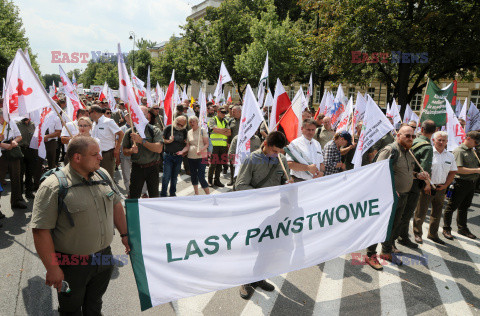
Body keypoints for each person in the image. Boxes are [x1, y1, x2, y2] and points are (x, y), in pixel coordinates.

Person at [31, 136, 129, 315]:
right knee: (71, 308)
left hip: (103, 258)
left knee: (94, 303)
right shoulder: (53, 186)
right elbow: (40, 231)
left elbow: (115, 204)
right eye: (95, 154)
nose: (100, 157)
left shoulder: (103, 174)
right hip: (72, 264)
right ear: (77, 157)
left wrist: (125, 235)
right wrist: (52, 268)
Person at [235, 131, 291, 300]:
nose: (277, 155)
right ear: (265, 144)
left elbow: (284, 182)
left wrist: (288, 186)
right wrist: (263, 197)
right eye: (274, 151)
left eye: (279, 152)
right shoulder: (252, 159)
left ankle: (259, 277)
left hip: (272, 213)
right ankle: (245, 281)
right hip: (253, 211)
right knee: (250, 247)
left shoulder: (282, 160)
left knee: (268, 247)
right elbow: (240, 185)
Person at [365, 126, 429, 270]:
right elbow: (378, 172)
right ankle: (371, 255)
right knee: (380, 226)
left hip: (403, 196)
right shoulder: (390, 150)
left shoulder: (408, 152)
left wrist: (417, 175)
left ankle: (386, 252)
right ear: (398, 135)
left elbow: (405, 172)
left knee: (394, 226)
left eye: (413, 136)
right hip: (388, 197)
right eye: (407, 136)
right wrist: (391, 190)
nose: (410, 139)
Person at [413, 131, 457, 245]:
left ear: (447, 142)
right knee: (421, 212)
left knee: (437, 213)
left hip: (441, 188)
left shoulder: (450, 156)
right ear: (433, 140)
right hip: (427, 187)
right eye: (439, 140)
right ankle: (417, 233)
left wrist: (446, 185)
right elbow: (424, 170)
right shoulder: (429, 153)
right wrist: (427, 184)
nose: (441, 142)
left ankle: (433, 234)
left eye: (444, 140)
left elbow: (453, 172)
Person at [398, 120, 435, 248]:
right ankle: (401, 237)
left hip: (406, 179)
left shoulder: (415, 141)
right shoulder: (427, 146)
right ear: (434, 131)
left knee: (400, 212)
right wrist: (427, 184)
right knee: (407, 212)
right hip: (414, 182)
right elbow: (425, 169)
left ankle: (398, 236)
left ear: (421, 129)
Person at [443, 131, 480, 240]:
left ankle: (462, 227)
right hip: (461, 182)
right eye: (476, 141)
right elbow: (458, 169)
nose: (477, 144)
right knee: (451, 207)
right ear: (468, 138)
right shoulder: (459, 151)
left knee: (464, 207)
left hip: (471, 183)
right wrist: (477, 170)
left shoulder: (472, 151)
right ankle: (446, 228)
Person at [123, 106, 163, 199]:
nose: (140, 117)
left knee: (154, 195)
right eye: (138, 115)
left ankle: (153, 213)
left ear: (147, 116)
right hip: (137, 168)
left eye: (143, 114)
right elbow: (124, 151)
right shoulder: (130, 132)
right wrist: (131, 151)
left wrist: (142, 141)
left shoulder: (154, 130)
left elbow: (159, 149)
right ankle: (134, 213)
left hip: (153, 167)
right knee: (134, 195)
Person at [0, 110, 26, 209]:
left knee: (16, 177)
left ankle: (16, 201)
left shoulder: (11, 123)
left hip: (13, 152)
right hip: (1, 154)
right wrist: (3, 144)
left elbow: (19, 136)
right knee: (0, 179)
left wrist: (14, 142)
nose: (7, 120)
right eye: (5, 119)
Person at [90, 105, 124, 178]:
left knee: (107, 177)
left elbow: (121, 133)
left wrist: (117, 149)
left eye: (89, 113)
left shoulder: (108, 121)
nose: (89, 115)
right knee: (97, 177)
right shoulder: (94, 123)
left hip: (107, 154)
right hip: (95, 154)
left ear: (94, 112)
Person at [161, 116, 188, 197]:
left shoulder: (184, 131)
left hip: (178, 156)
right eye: (178, 124)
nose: (179, 126)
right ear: (175, 121)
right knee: (166, 176)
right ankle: (163, 193)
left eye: (181, 125)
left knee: (174, 177)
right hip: (168, 155)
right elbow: (161, 139)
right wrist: (168, 141)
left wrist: (184, 151)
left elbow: (186, 143)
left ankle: (172, 193)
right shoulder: (169, 128)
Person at [17, 117, 41, 199]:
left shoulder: (33, 125)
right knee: (20, 173)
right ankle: (19, 194)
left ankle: (29, 192)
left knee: (30, 172)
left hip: (31, 150)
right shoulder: (17, 125)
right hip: (21, 150)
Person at [185, 116, 210, 195]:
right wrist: (182, 151)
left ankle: (208, 194)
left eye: (193, 121)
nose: (192, 123)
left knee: (201, 176)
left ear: (197, 122)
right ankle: (196, 193)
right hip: (191, 157)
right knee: (193, 175)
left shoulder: (202, 130)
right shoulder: (189, 132)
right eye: (190, 122)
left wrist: (201, 150)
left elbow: (207, 144)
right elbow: (187, 146)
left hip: (202, 156)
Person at [208, 108, 231, 187]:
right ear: (218, 112)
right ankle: (209, 181)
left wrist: (219, 130)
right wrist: (224, 130)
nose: (224, 114)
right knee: (213, 164)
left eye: (225, 112)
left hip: (223, 146)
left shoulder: (225, 121)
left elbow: (229, 133)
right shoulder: (212, 120)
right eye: (222, 112)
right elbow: (214, 129)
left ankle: (217, 180)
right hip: (214, 145)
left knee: (220, 164)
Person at [227, 105, 242, 185]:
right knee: (232, 162)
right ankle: (232, 179)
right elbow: (229, 133)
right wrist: (228, 143)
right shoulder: (230, 121)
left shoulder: (244, 120)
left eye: (234, 111)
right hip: (233, 145)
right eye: (232, 111)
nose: (232, 113)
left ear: (239, 112)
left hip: (243, 146)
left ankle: (240, 180)